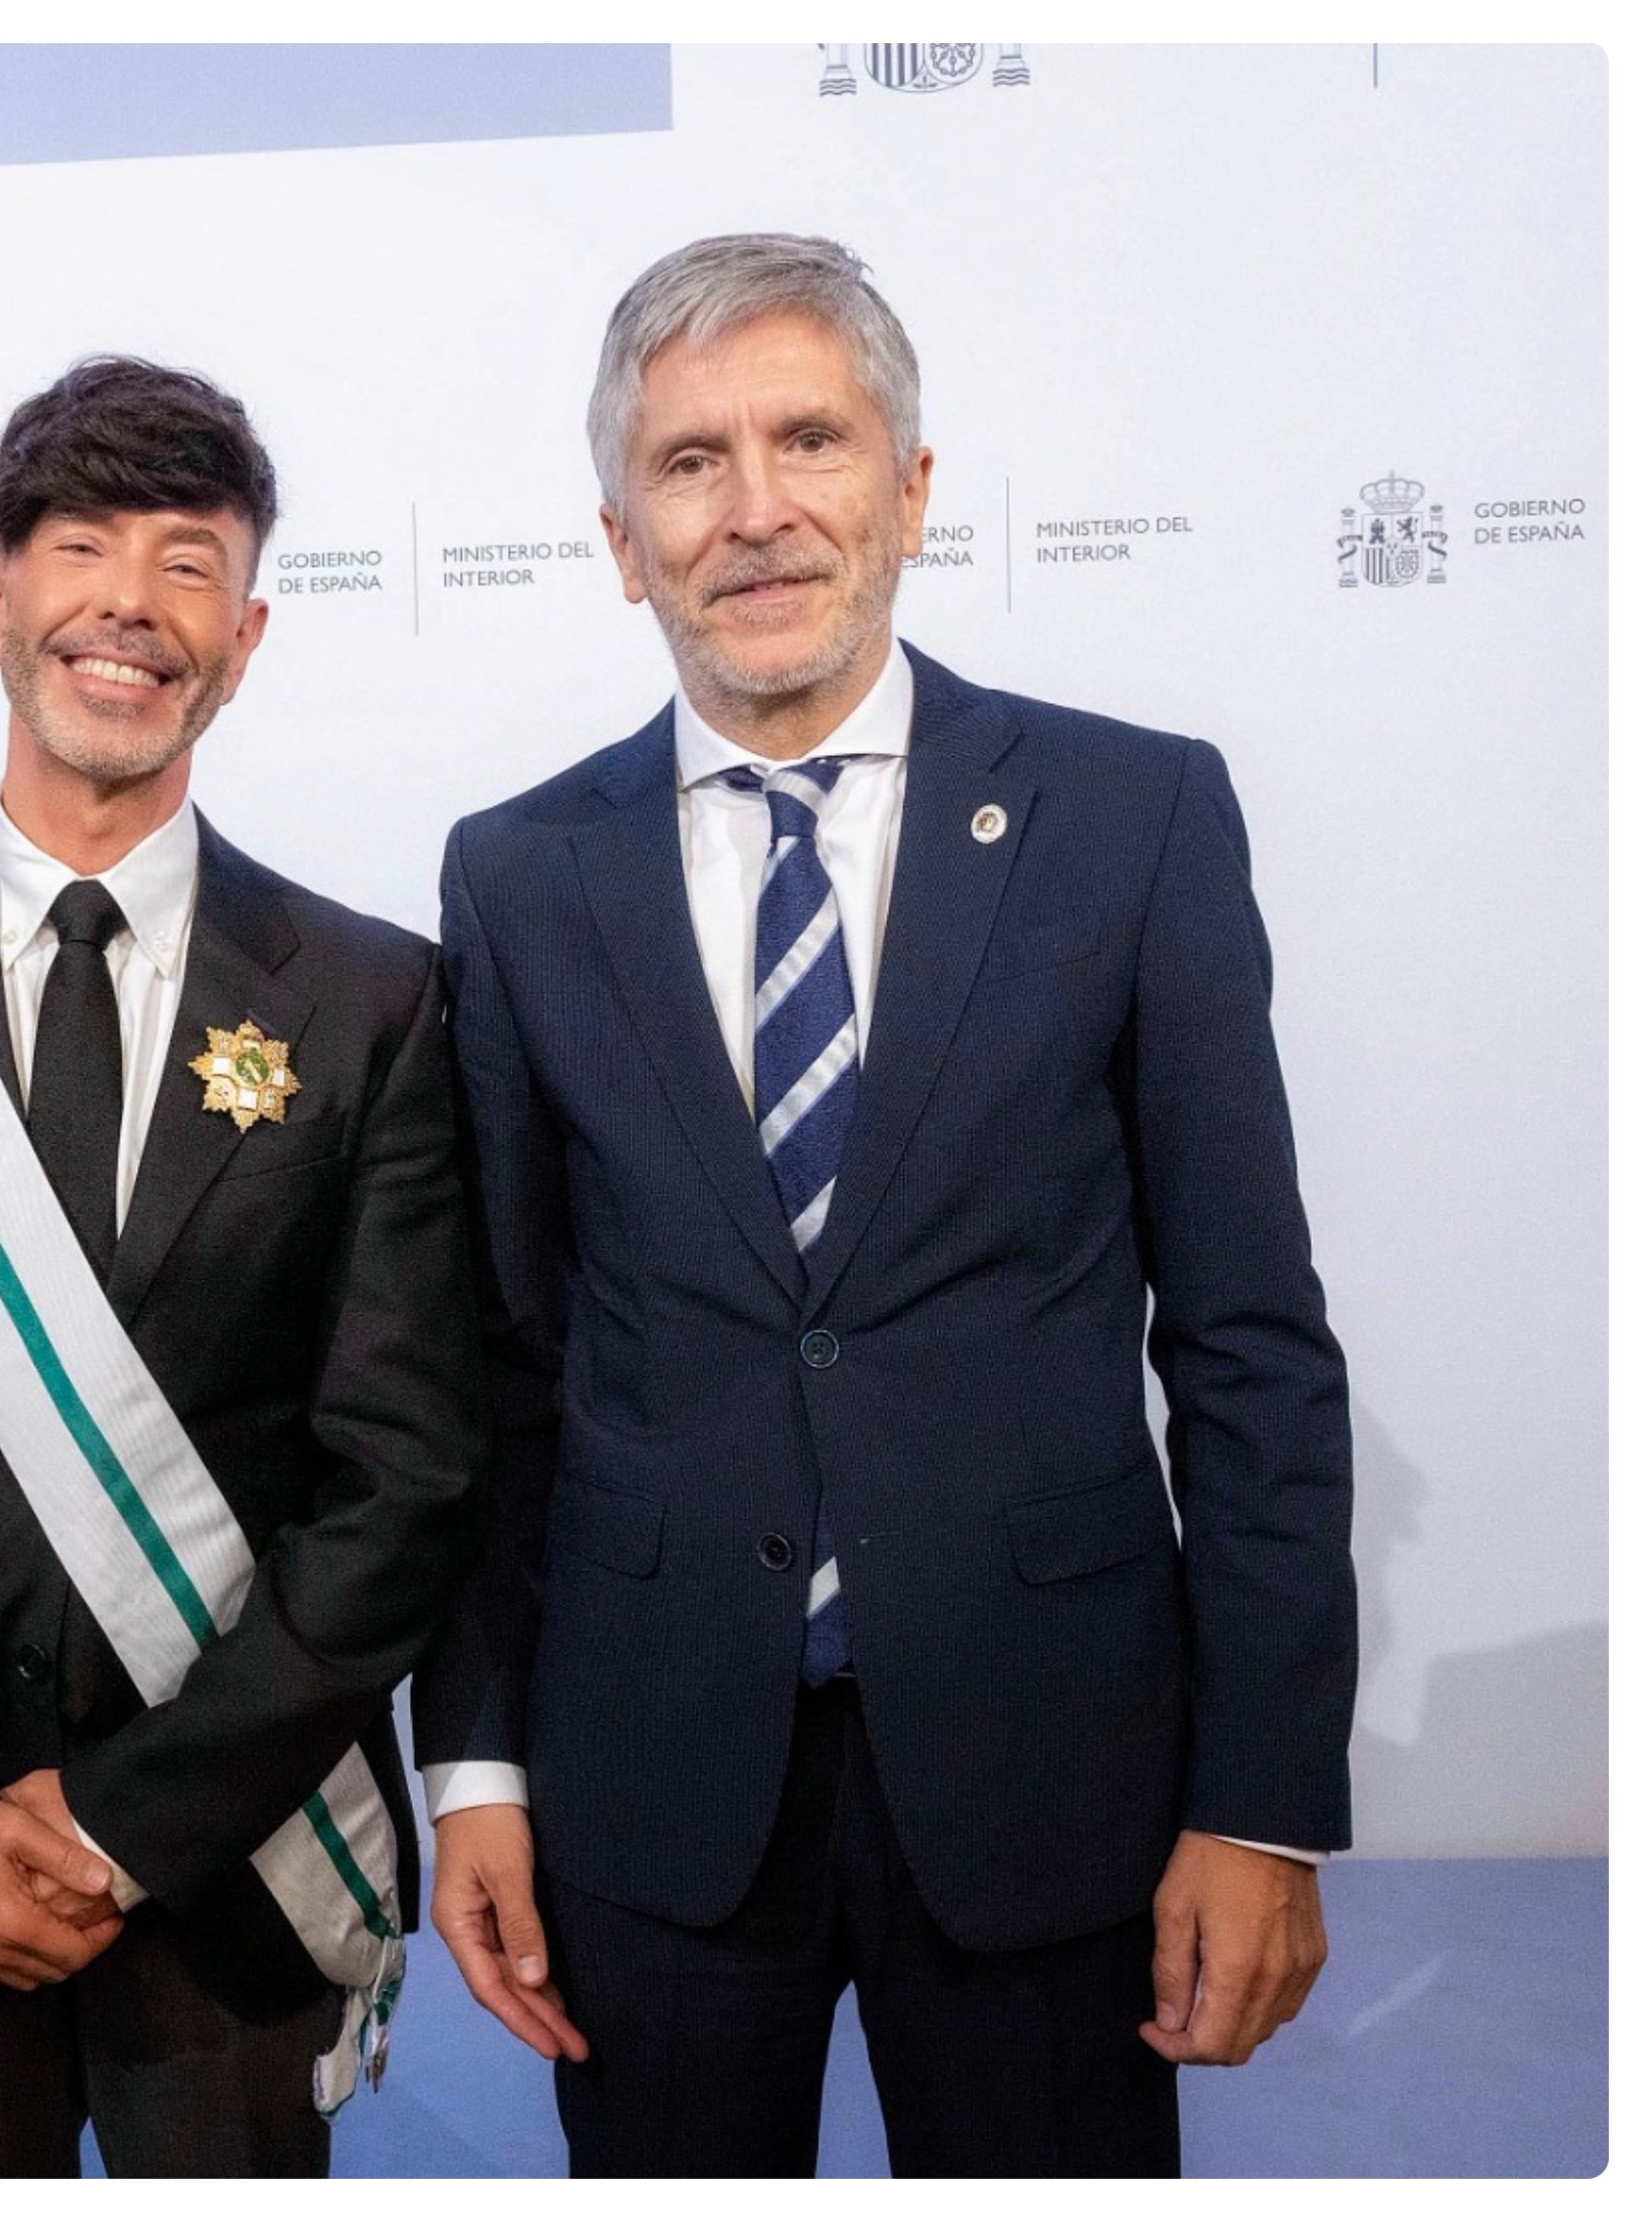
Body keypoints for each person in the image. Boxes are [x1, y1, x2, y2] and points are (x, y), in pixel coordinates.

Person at [414, 233, 1355, 2176]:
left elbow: (1252, 1341)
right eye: (691, 463)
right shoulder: (517, 875)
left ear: (912, 490)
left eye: (811, 441)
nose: (754, 510)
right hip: (653, 1786)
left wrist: (1262, 1794)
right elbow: (502, 1368)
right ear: (621, 538)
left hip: (1052, 1768)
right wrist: (478, 1757)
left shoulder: (1133, 817)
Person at [0, 357, 487, 2176]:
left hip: (236, 1868)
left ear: (246, 636)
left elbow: (403, 1476)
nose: (130, 607)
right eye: (81, 548)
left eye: (189, 565)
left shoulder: (371, 998)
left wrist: (125, 1823)